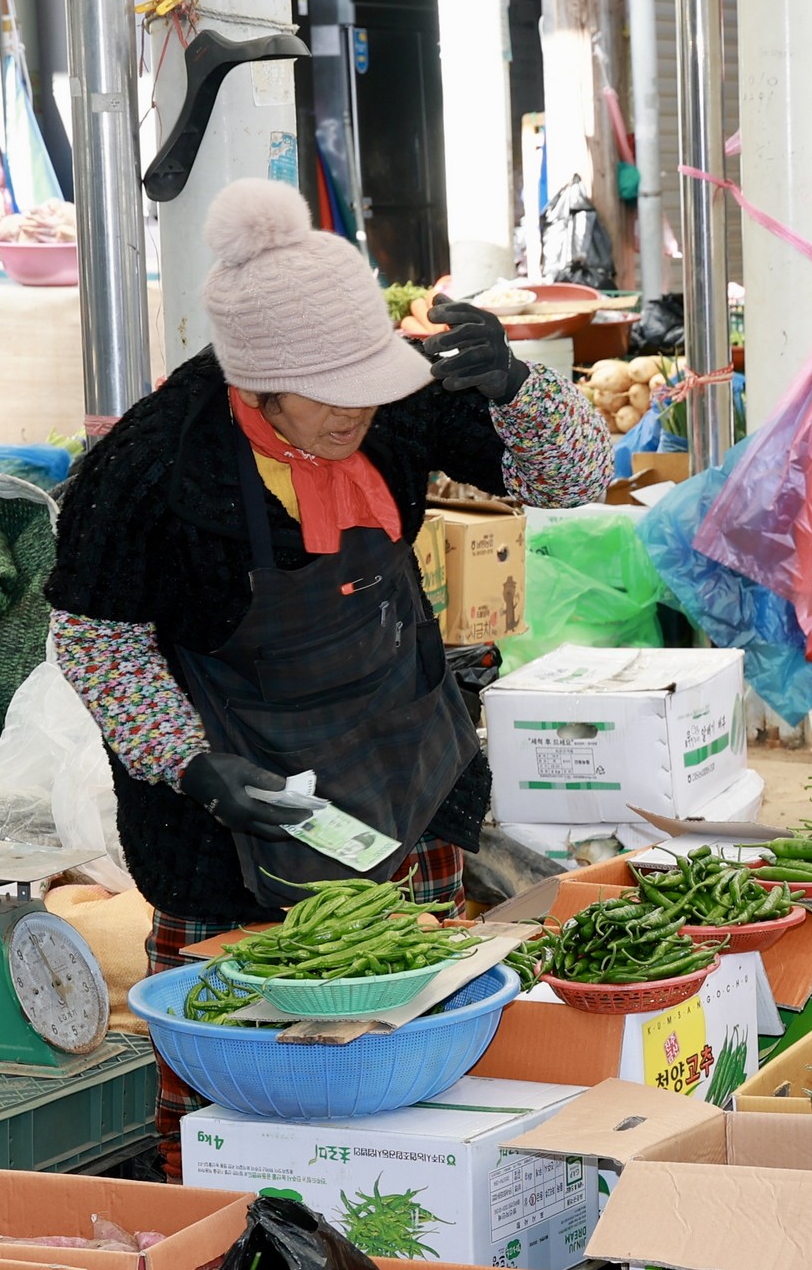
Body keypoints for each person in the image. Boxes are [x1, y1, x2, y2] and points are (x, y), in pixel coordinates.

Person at [46, 179, 612, 1169]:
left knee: (409, 1093)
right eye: (328, 390)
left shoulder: (393, 409)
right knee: (243, 1113)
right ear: (257, 380)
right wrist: (188, 763)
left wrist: (522, 390)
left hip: (408, 786)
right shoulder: (151, 468)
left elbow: (576, 479)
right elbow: (97, 640)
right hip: (232, 839)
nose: (356, 408)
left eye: (368, 382)